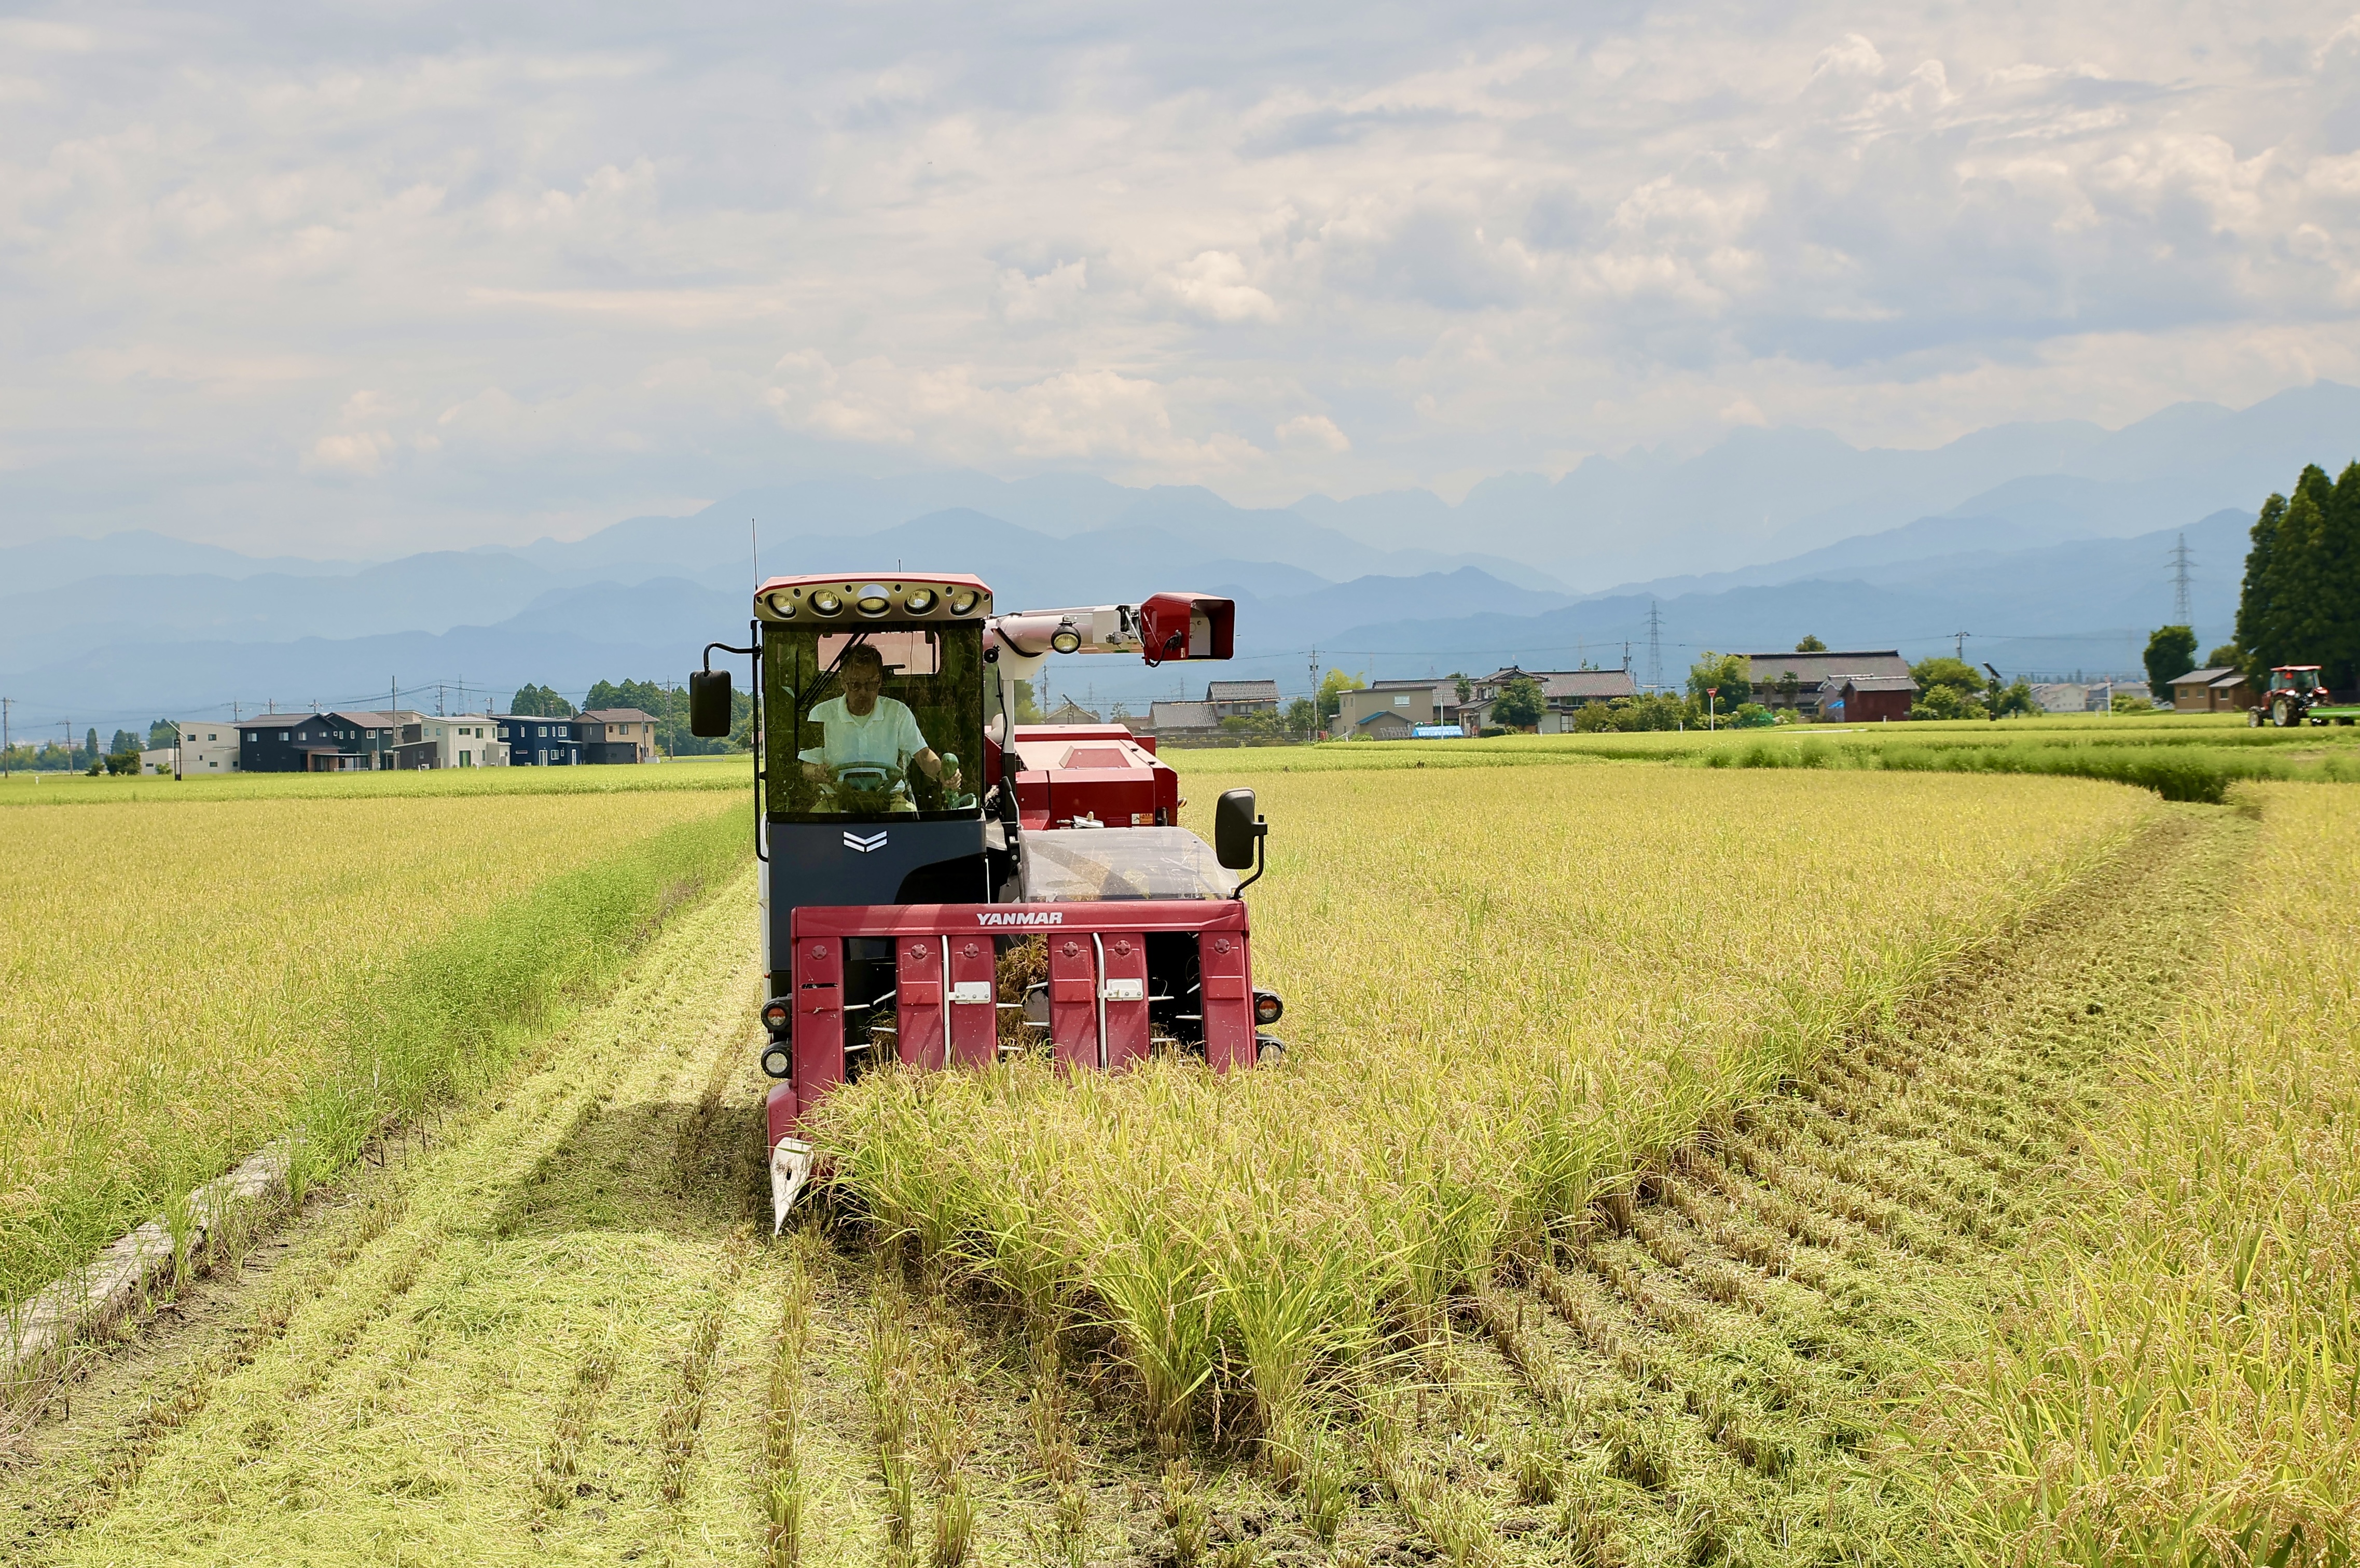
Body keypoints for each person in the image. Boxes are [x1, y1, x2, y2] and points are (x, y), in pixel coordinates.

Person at [799, 642, 958, 810]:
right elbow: (807, 767)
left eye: (870, 684)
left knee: (911, 823)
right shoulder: (820, 715)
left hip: (890, 800)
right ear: (843, 683)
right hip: (835, 800)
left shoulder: (898, 713)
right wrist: (818, 772)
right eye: (855, 685)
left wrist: (943, 775)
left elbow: (922, 755)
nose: (863, 692)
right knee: (813, 832)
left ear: (880, 681)